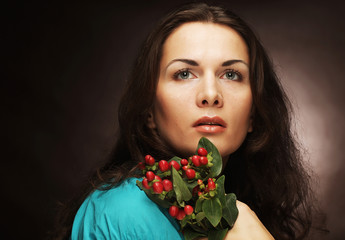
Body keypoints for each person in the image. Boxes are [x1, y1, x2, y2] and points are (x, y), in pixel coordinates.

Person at [51, 2, 325, 240]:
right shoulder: (123, 212)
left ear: (253, 114)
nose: (210, 95)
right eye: (183, 73)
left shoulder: (237, 212)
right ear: (149, 112)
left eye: (231, 74)